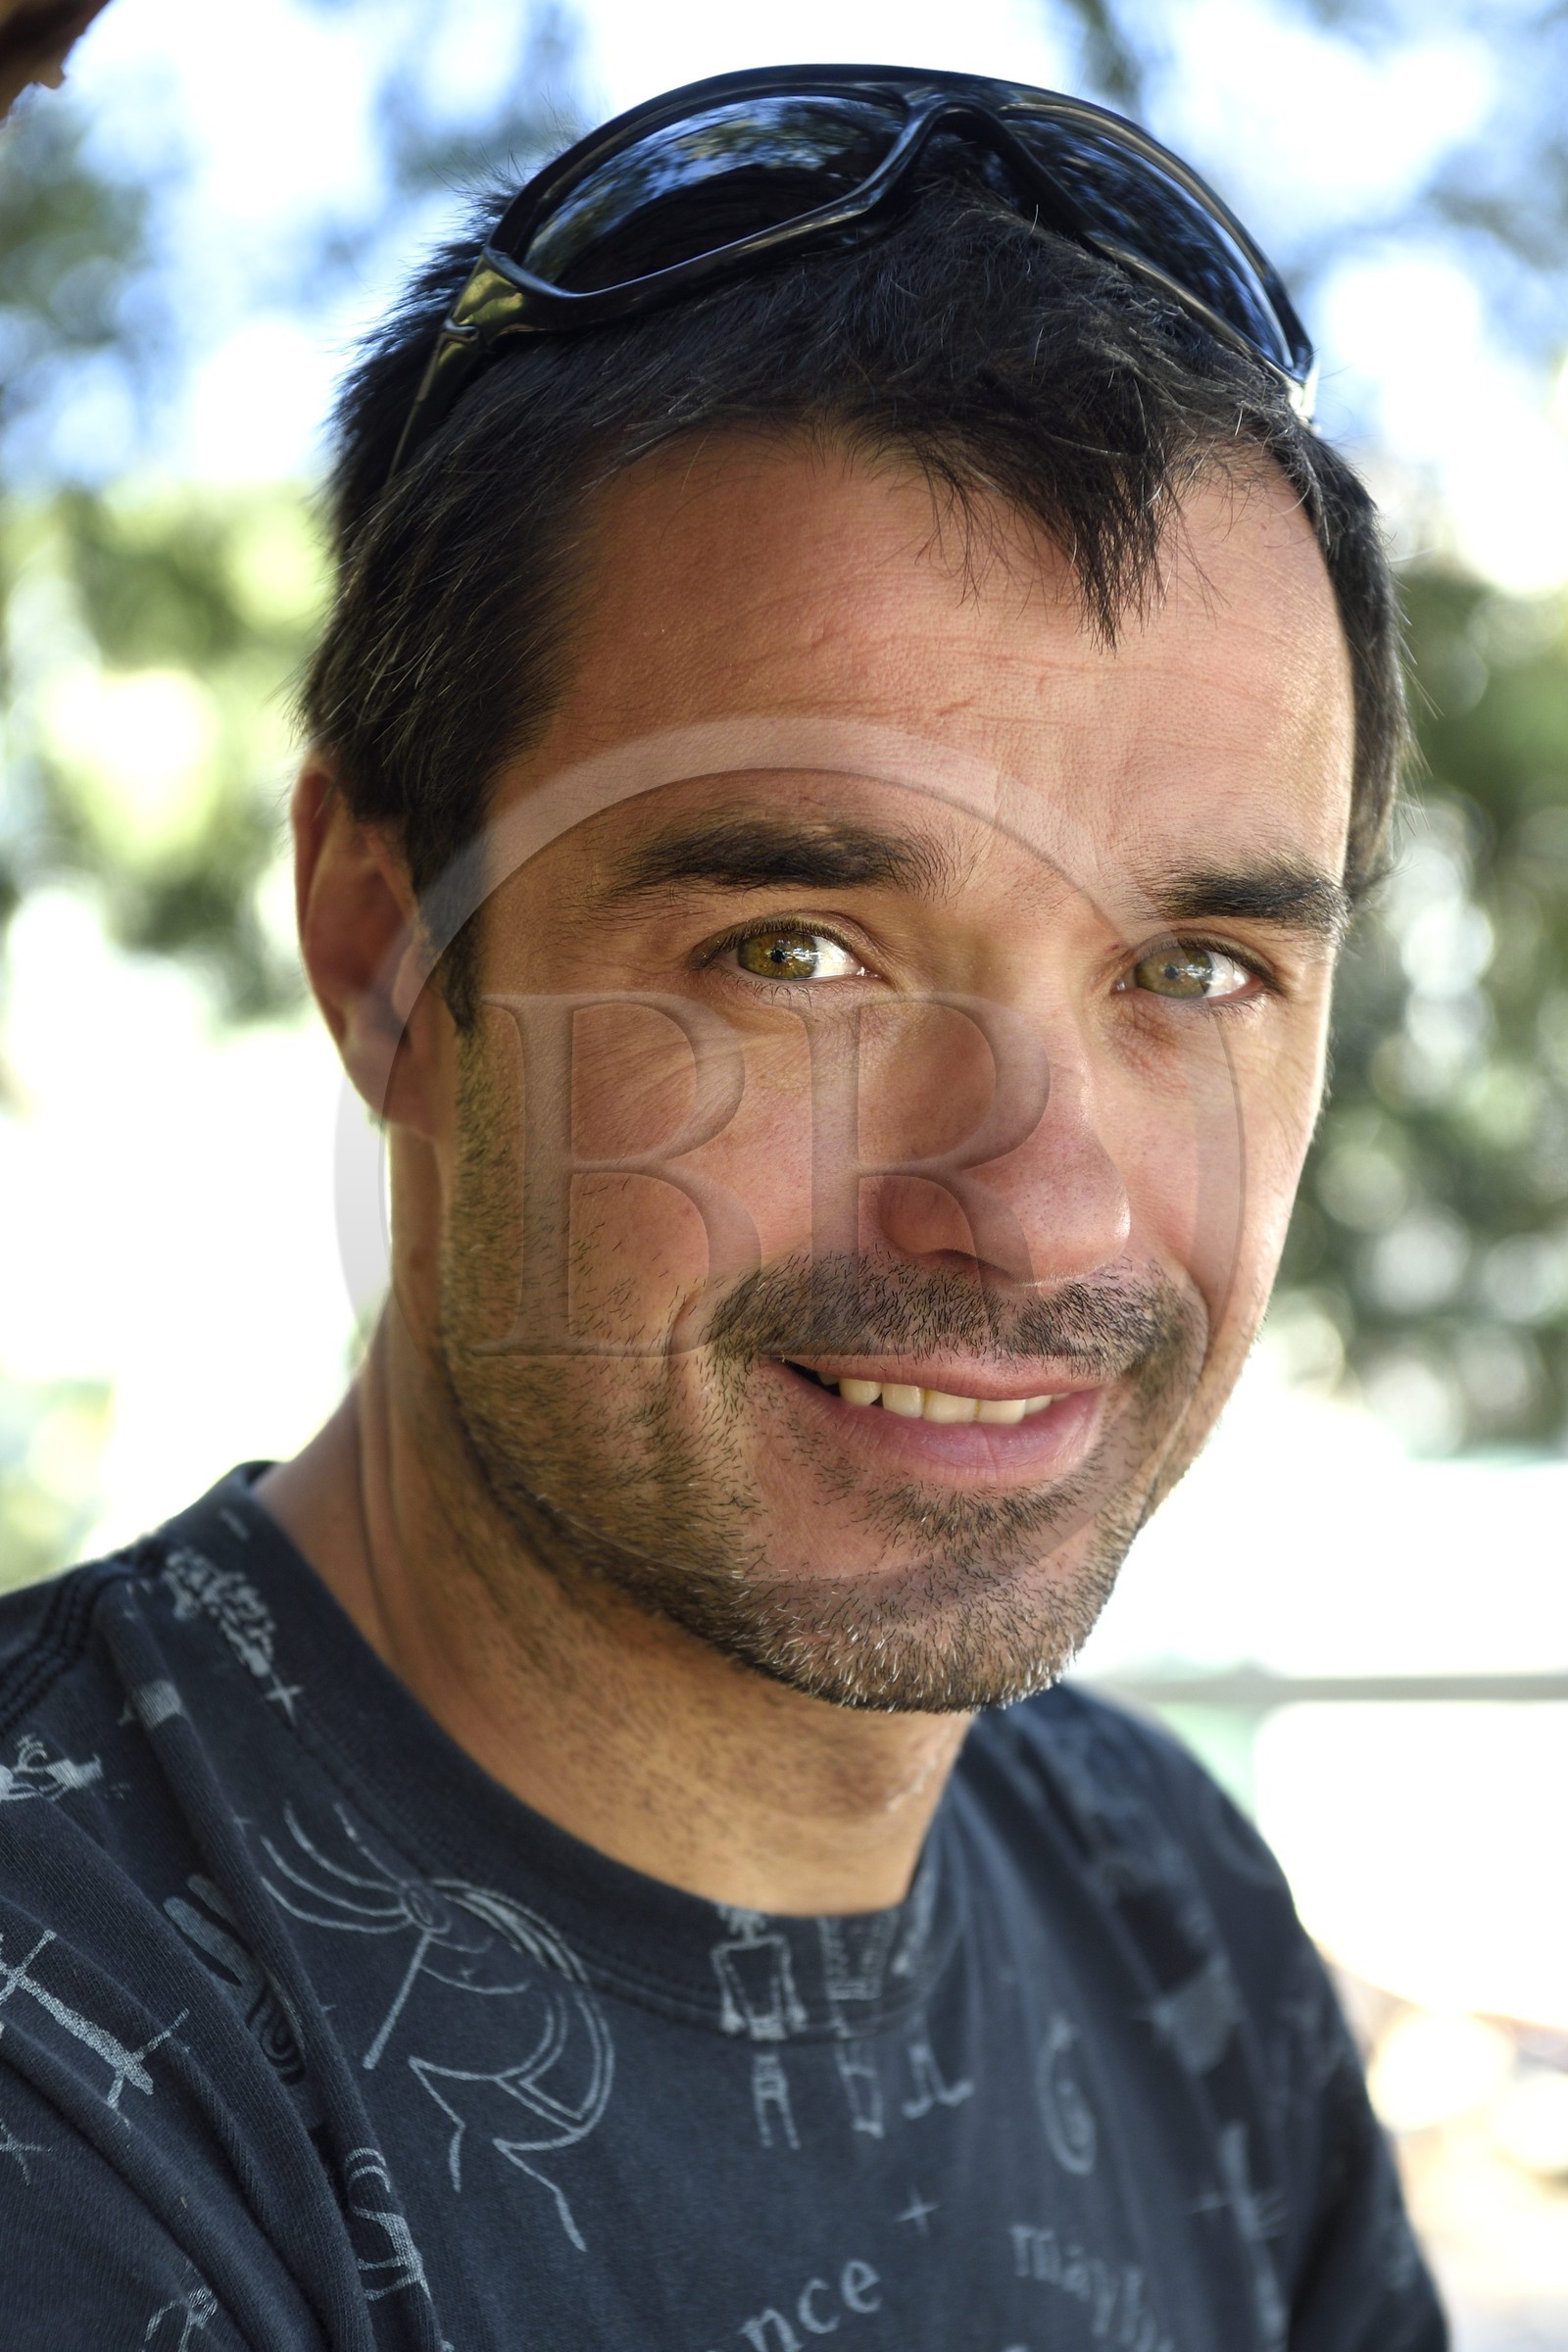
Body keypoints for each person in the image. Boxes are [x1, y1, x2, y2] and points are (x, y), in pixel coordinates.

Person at [0, 65, 1446, 2350]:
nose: (1041, 1215)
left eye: (1192, 972)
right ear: (384, 946)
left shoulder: (1162, 1910)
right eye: (798, 955)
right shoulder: (66, 2053)